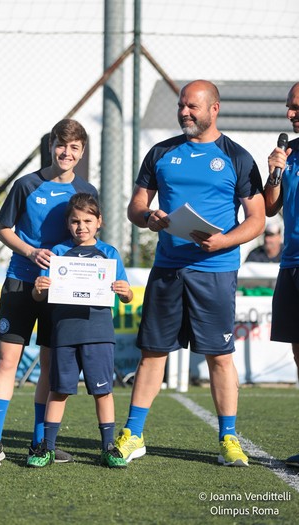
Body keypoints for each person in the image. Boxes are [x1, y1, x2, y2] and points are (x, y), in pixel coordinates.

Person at [115, 79, 265, 467]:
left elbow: (257, 220)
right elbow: (135, 206)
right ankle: (134, 434)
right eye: (182, 105)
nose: (184, 112)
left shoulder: (238, 157)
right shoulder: (161, 152)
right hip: (167, 268)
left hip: (214, 271)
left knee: (219, 356)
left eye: (192, 107)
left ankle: (228, 439)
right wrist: (148, 217)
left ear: (214, 109)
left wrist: (225, 241)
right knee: (152, 353)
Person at [0, 119, 98, 468]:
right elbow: (2, 229)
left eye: (74, 147)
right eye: (62, 145)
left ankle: (39, 443)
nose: (67, 152)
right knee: (7, 361)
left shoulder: (86, 189)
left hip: (62, 290)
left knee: (49, 365)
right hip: (20, 281)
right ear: (51, 146)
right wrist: (31, 253)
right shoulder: (26, 185)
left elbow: (90, 235)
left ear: (82, 152)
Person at [26, 193, 133, 469]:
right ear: (67, 223)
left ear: (99, 222)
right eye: (75, 221)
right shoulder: (58, 253)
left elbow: (127, 295)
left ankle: (108, 447)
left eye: (87, 220)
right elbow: (40, 297)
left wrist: (125, 292)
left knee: (103, 391)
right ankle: (47, 447)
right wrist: (39, 289)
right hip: (64, 333)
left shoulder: (109, 254)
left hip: (98, 333)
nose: (81, 226)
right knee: (59, 390)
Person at [265, 81, 299, 468]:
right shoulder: (289, 152)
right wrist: (274, 171)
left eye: (297, 107)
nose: (291, 114)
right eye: (289, 107)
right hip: (290, 263)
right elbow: (271, 208)